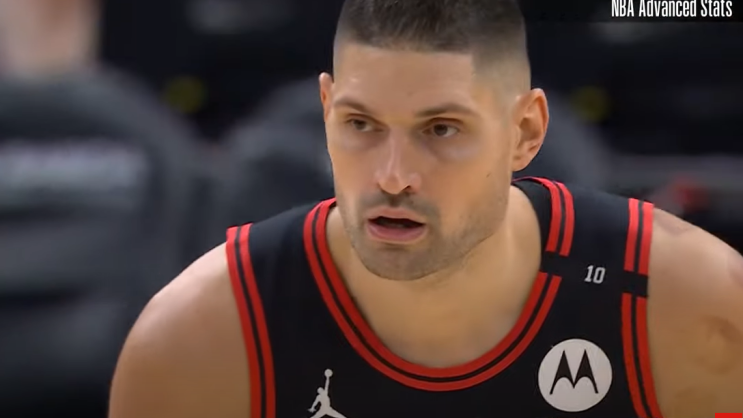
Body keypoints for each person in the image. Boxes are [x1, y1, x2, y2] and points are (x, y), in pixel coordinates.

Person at [108, 0, 743, 417]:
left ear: (525, 132)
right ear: (326, 111)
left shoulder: (688, 304)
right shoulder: (202, 340)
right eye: (360, 124)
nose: (393, 176)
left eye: (440, 129)